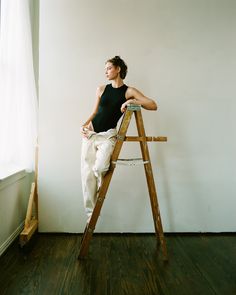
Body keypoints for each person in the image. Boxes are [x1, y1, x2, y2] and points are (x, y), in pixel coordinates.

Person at [81, 56, 157, 219]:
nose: (106, 71)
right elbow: (95, 112)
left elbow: (152, 105)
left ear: (118, 69)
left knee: (100, 168)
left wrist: (131, 102)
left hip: (108, 136)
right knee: (87, 175)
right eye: (105, 68)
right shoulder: (101, 89)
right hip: (90, 134)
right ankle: (91, 216)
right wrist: (84, 125)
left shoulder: (128, 91)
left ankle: (97, 202)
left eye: (109, 68)